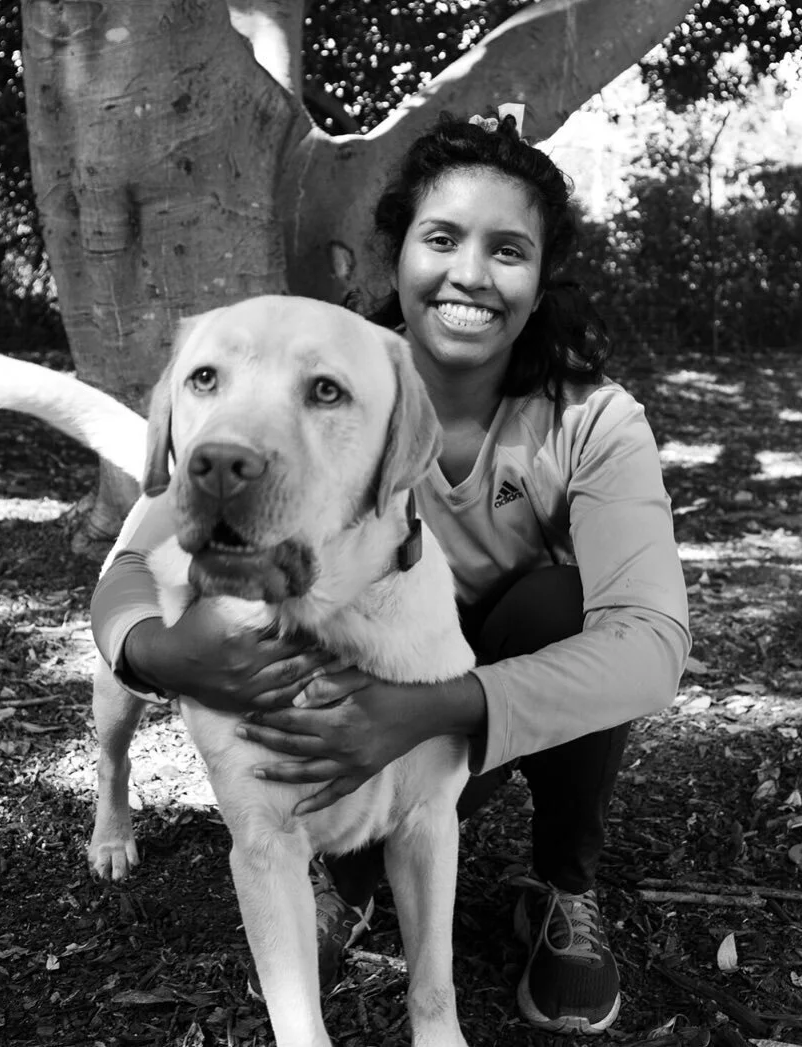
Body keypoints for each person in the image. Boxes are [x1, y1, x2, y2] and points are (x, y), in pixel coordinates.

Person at [90, 108, 691, 1035]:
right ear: (399, 251)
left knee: (559, 603)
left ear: (540, 278)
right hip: (337, 697)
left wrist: (424, 710)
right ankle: (345, 881)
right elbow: (137, 555)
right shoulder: (321, 360)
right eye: (441, 238)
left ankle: (562, 887)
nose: (468, 274)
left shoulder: (591, 421)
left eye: (508, 249)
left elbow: (651, 643)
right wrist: (157, 653)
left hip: (471, 698)